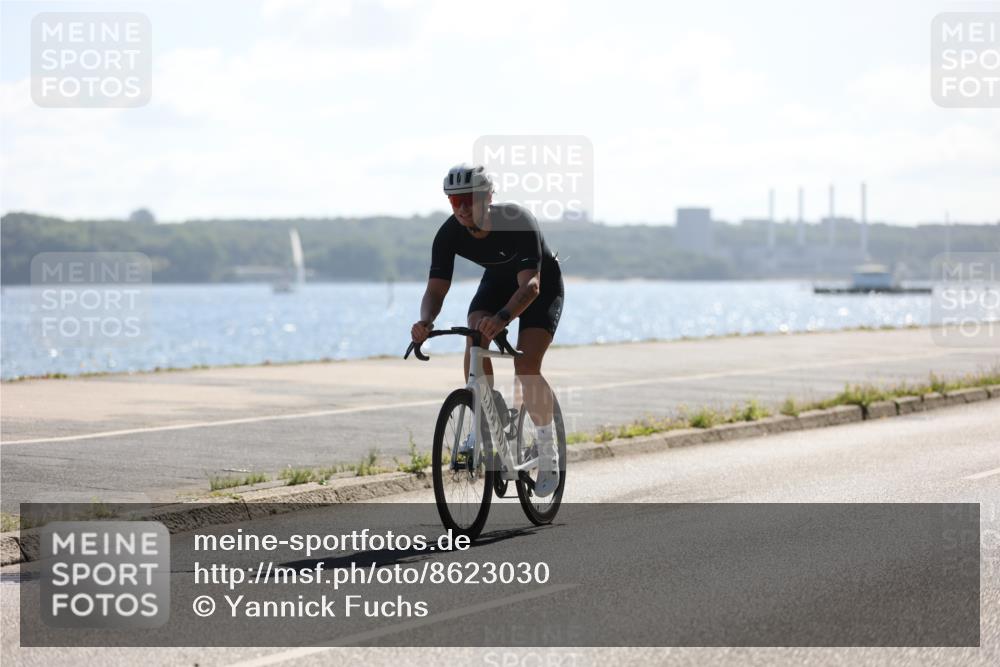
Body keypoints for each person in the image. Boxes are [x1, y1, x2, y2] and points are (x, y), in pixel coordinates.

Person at [410, 164, 564, 496]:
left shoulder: (517, 221)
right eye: (455, 202)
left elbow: (532, 286)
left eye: (469, 199)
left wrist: (504, 318)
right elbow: (436, 290)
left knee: (526, 366)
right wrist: (425, 321)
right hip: (497, 281)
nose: (462, 208)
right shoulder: (449, 233)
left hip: (539, 286)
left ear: (488, 197)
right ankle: (483, 414)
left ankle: (547, 450)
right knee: (474, 334)